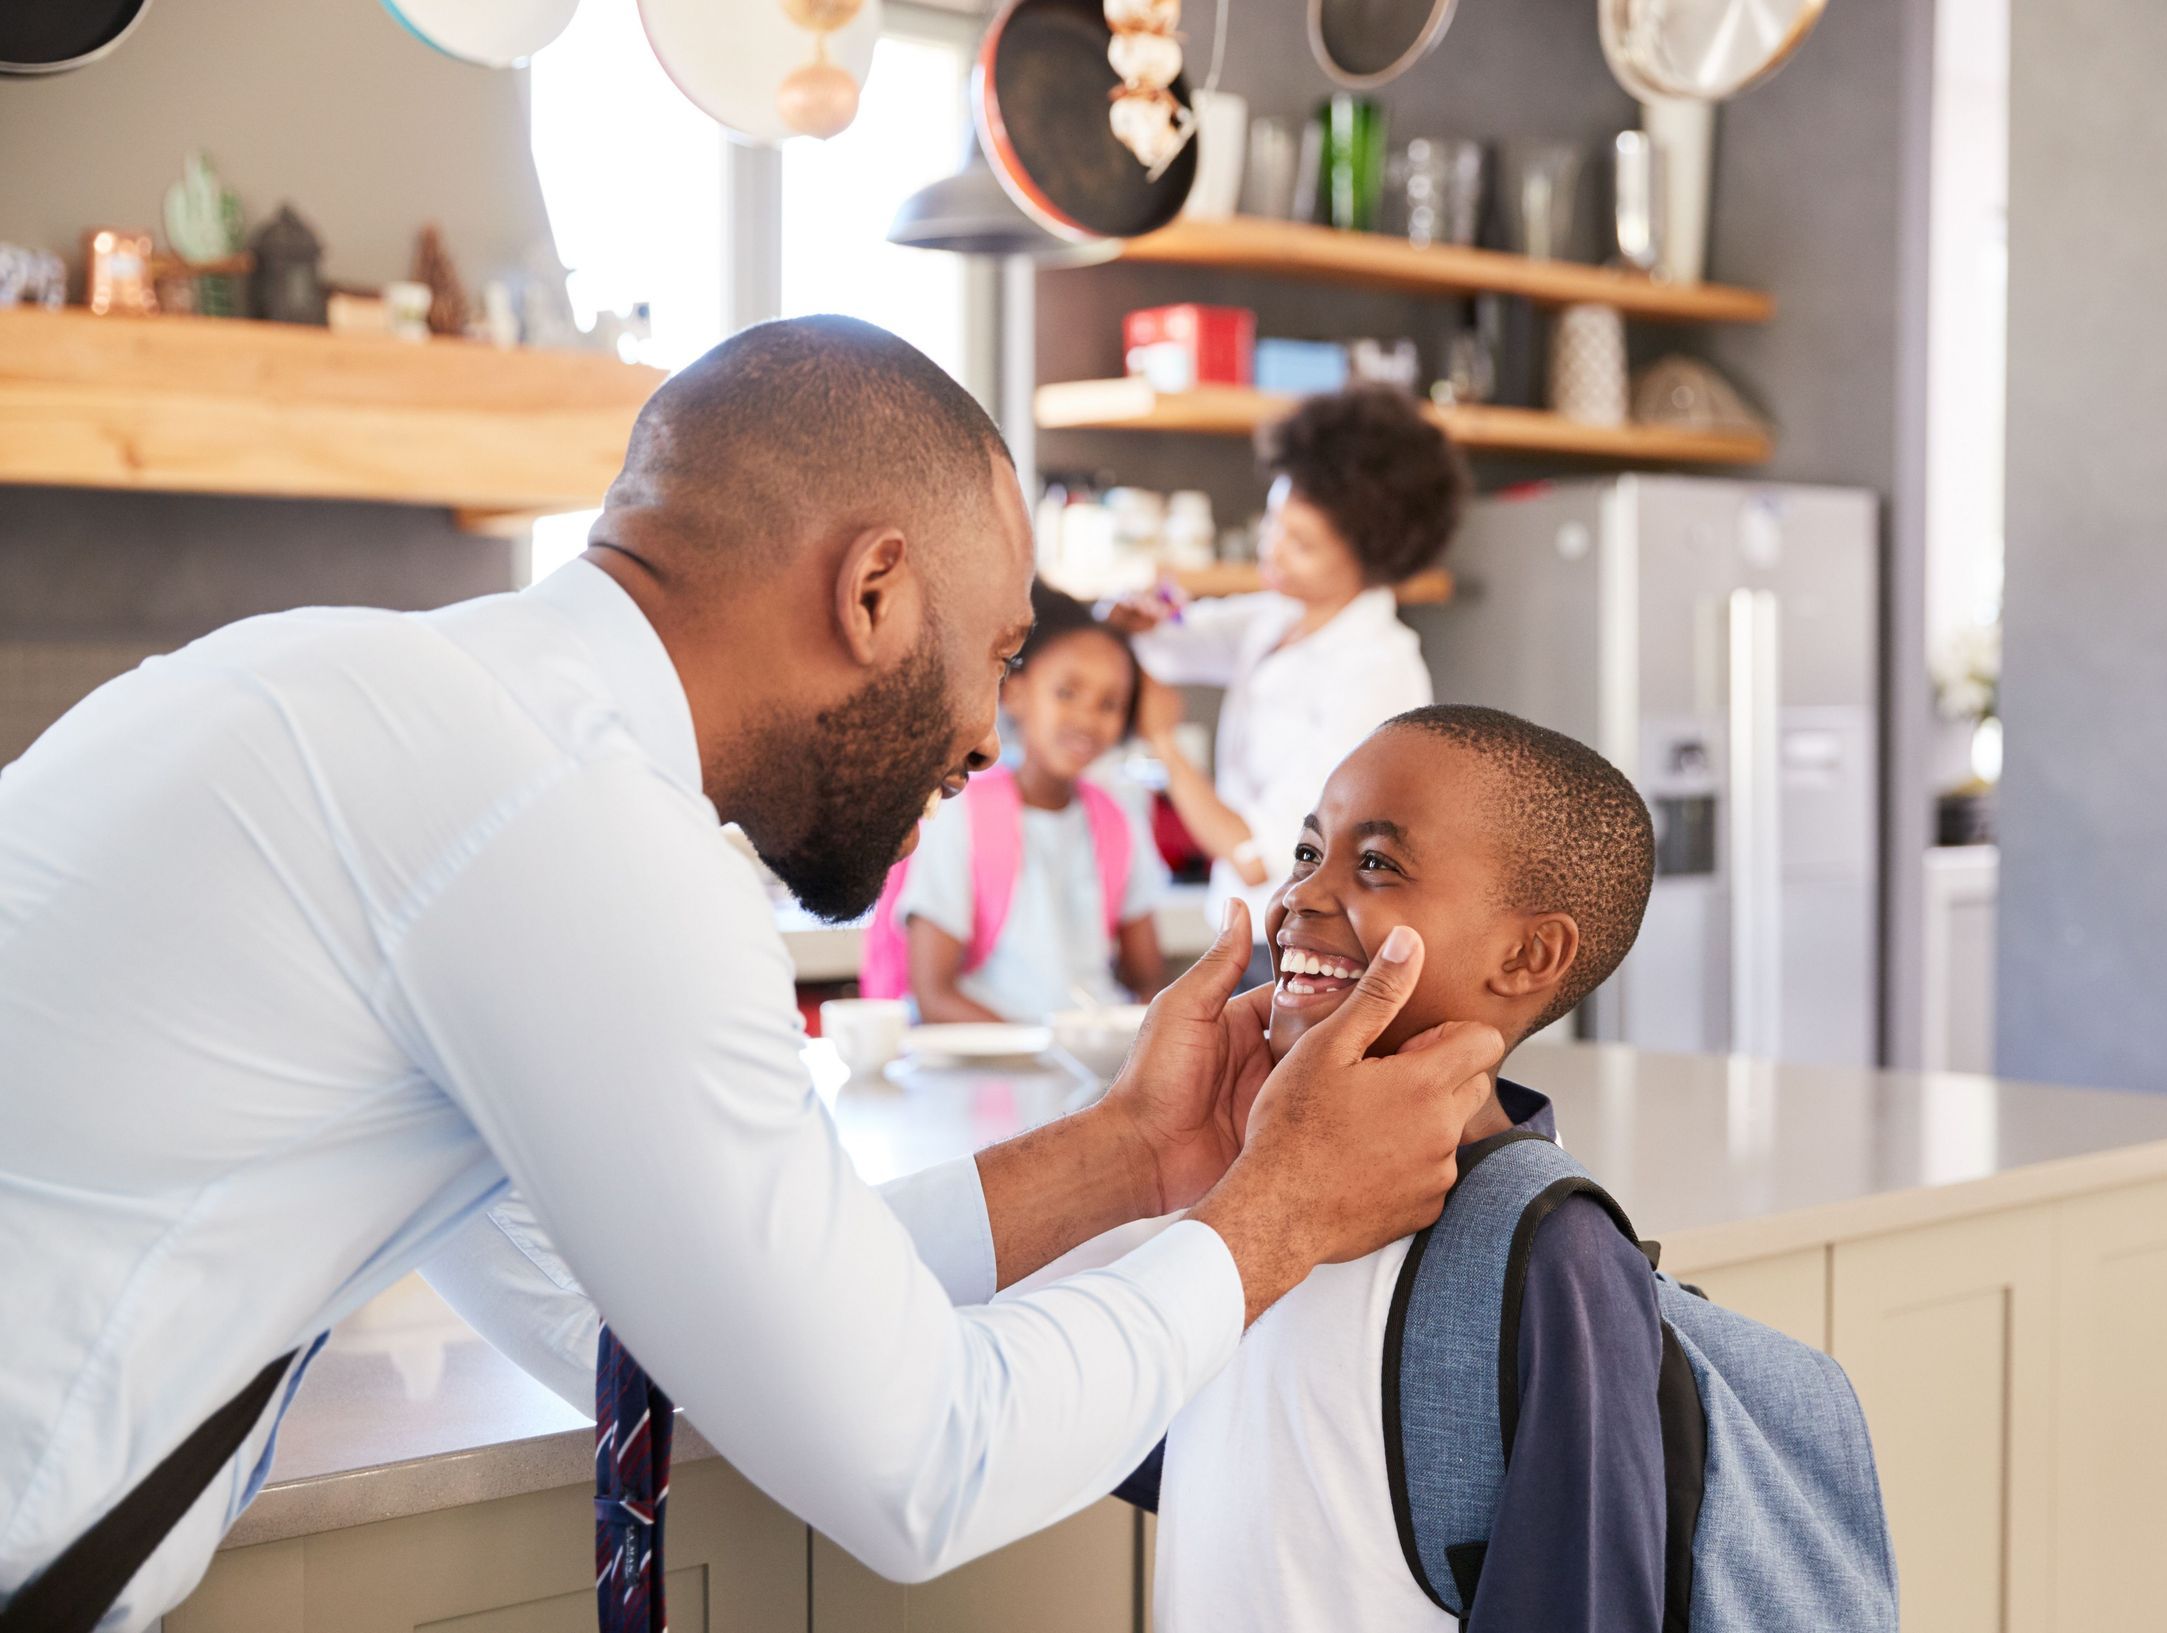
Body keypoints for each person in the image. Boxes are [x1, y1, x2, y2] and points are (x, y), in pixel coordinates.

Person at [0, 318, 1507, 1631]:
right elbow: (925, 1461)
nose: (988, 737)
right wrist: (1272, 1218)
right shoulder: (577, 831)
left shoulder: (364, 696)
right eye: (993, 658)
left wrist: (1135, 1155)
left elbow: (654, 1309)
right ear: (871, 593)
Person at [1117, 704, 1668, 1633]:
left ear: (1529, 953)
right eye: (1306, 852)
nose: (1300, 899)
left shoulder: (1553, 1260)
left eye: (1374, 864)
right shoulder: (1233, 1173)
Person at [1110, 385, 1466, 983]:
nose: (1272, 549)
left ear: (1369, 556)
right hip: (1243, 932)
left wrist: (1165, 747)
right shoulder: (1275, 617)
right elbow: (1164, 640)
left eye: (1301, 543)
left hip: (1308, 946)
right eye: (1274, 520)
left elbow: (1262, 858)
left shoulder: (1376, 672)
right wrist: (1131, 614)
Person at [868, 584, 1169, 1022]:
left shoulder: (1120, 819)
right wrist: (1050, 1054)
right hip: (994, 1070)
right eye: (1067, 693)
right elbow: (933, 994)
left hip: (1093, 1071)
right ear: (1016, 693)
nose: (1087, 718)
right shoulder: (964, 814)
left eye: (1110, 703)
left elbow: (1148, 980)